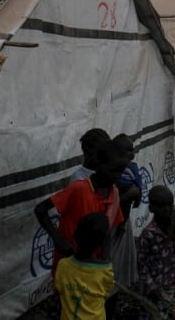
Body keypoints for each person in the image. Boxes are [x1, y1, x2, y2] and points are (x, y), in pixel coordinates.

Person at [36, 140, 127, 318]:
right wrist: (58, 239)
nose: (118, 176)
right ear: (100, 165)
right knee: (69, 308)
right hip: (68, 264)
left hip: (94, 270)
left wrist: (105, 261)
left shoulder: (113, 193)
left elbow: (107, 232)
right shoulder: (79, 189)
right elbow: (40, 210)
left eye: (121, 171)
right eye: (114, 170)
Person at [137, 185, 175, 319]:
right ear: (151, 208)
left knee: (172, 312)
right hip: (157, 285)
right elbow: (142, 263)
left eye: (169, 205)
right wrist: (150, 285)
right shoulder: (149, 234)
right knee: (155, 314)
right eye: (161, 206)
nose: (167, 210)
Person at [54, 212, 114, 320]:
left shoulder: (63, 265)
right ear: (102, 243)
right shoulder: (105, 272)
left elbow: (58, 290)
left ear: (75, 235)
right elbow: (106, 292)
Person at [110, 134, 142, 297]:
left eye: (132, 149)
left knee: (124, 213)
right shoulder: (111, 169)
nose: (131, 153)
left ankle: (122, 224)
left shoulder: (133, 167)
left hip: (125, 200)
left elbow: (138, 183)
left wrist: (138, 197)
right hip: (117, 200)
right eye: (127, 150)